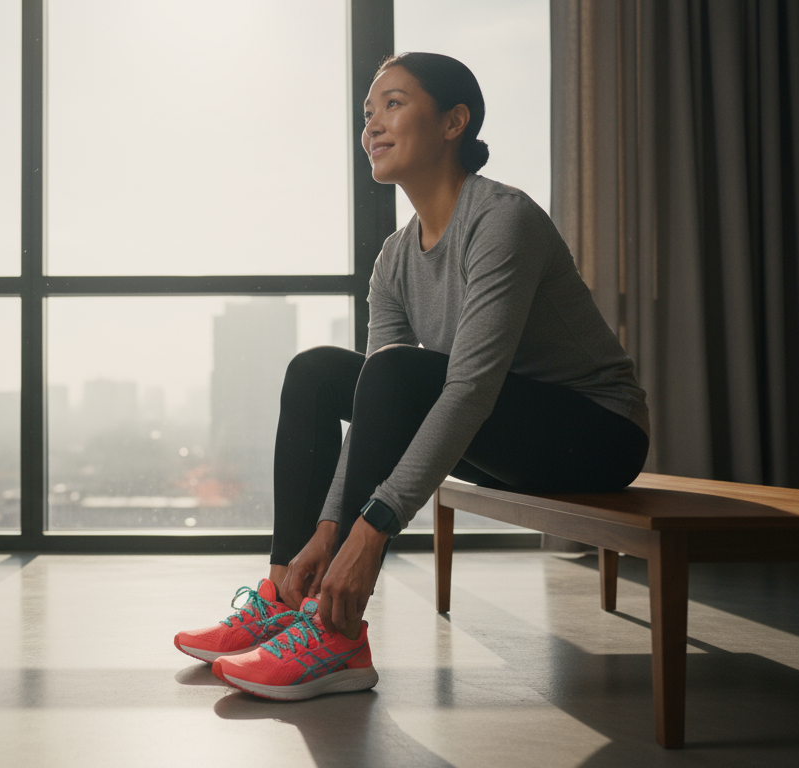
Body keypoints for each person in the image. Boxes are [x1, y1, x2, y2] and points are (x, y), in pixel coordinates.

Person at [173, 52, 650, 702]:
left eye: (393, 104)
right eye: (368, 112)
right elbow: (380, 399)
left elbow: (470, 389)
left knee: (396, 370)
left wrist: (368, 532)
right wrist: (325, 534)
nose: (371, 124)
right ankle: (288, 591)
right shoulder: (395, 258)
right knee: (317, 372)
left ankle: (337, 636)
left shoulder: (501, 220)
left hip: (596, 434)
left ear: (455, 121)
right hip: (496, 436)